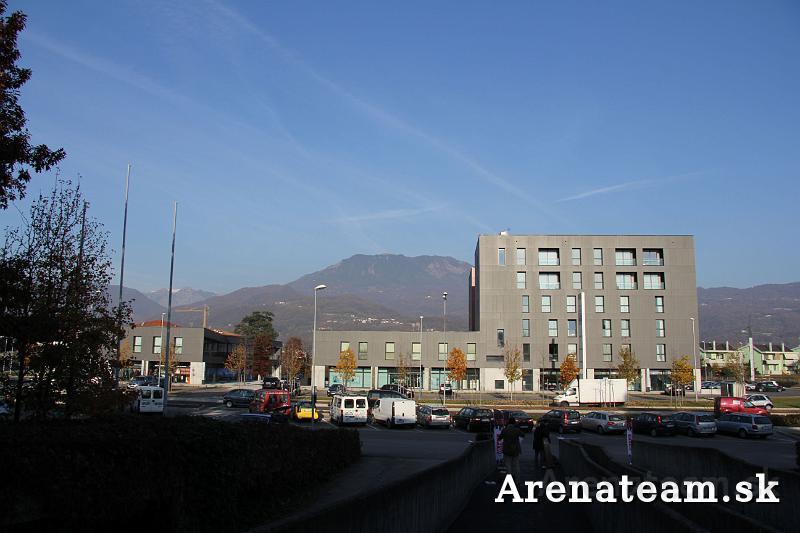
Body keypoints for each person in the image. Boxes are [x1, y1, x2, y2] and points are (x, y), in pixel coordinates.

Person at [499, 417, 523, 482]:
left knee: (508, 465)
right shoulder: (516, 430)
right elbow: (522, 435)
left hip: (507, 450)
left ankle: (510, 480)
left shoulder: (505, 430)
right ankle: (517, 480)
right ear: (514, 423)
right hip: (515, 450)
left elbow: (500, 438)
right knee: (516, 465)